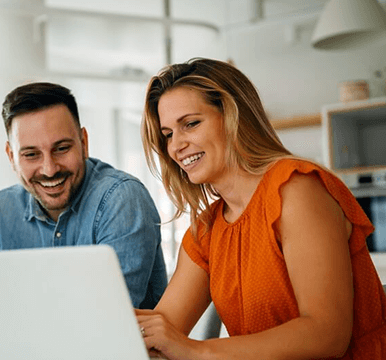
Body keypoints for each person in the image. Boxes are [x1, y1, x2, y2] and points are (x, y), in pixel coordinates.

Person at [136, 58, 386, 359]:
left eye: (190, 124)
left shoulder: (296, 190)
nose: (176, 145)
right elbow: (162, 331)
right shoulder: (207, 230)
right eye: (168, 135)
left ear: (234, 117)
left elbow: (326, 334)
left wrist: (197, 352)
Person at [0, 82, 168, 352]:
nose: (49, 169)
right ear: (11, 156)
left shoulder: (122, 199)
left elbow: (106, 331)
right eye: (31, 154)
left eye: (61, 148)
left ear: (84, 143)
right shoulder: (2, 210)